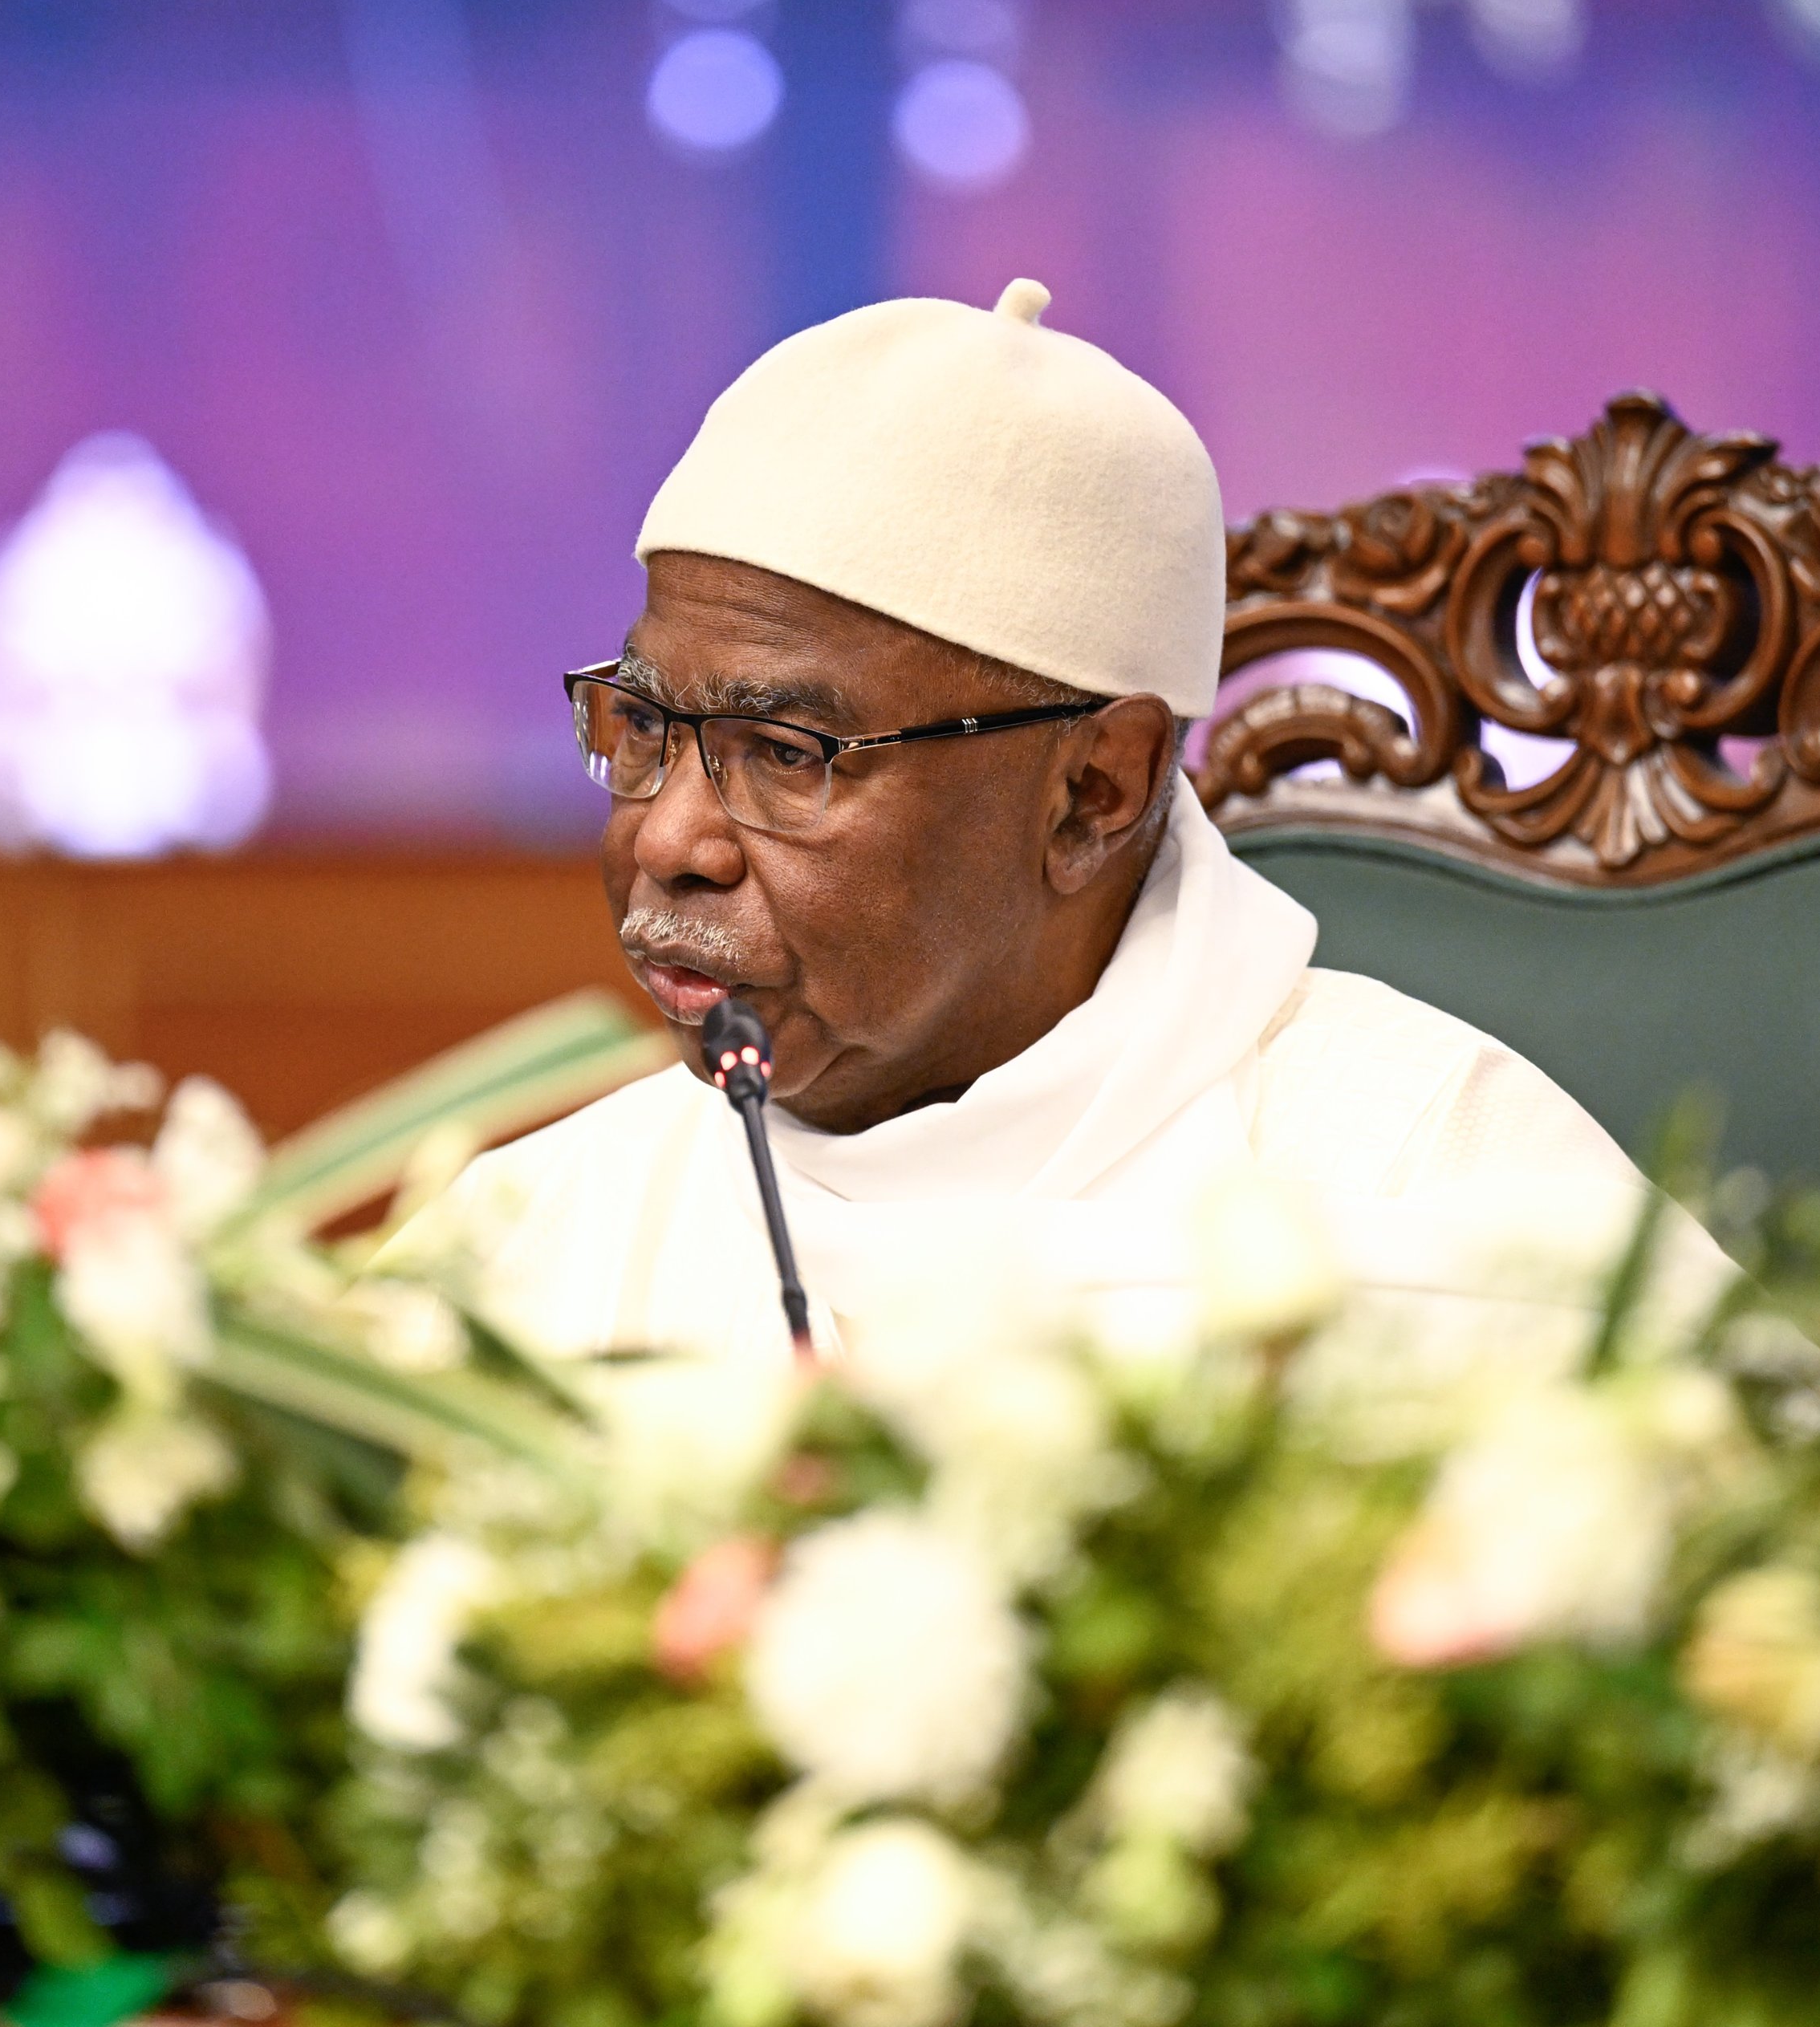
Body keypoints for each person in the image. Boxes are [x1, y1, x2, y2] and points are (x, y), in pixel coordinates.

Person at [388, 278, 1729, 1363]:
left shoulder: (1435, 1192)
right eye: (643, 728)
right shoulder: (526, 1247)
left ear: (1098, 788)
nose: (669, 838)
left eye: (786, 753)